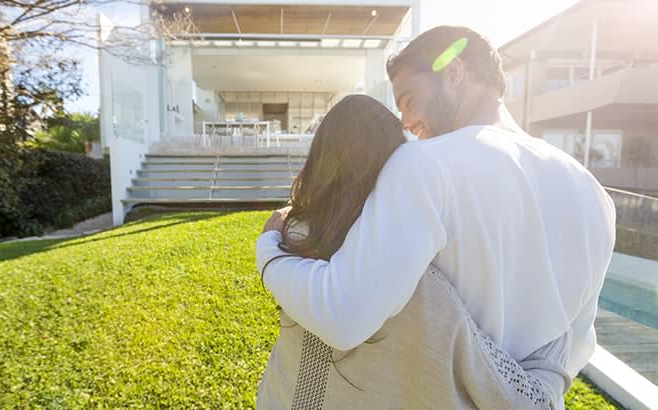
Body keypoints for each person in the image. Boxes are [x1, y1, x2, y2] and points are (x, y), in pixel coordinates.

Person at [256, 26, 616, 408]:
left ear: (455, 72)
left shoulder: (423, 166)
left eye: (409, 100)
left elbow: (344, 314)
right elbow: (572, 350)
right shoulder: (593, 193)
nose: (406, 121)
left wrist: (268, 249)